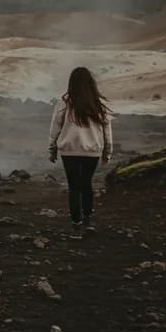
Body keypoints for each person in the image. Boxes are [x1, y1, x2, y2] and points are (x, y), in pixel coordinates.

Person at [48, 67, 113, 229]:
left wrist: (52, 148)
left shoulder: (64, 102)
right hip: (92, 151)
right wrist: (107, 152)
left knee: (74, 186)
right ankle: (88, 220)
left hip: (69, 150)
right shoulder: (98, 104)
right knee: (86, 184)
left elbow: (55, 127)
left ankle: (76, 222)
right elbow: (107, 130)